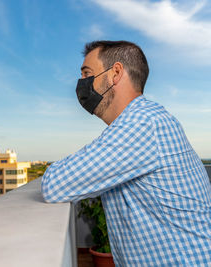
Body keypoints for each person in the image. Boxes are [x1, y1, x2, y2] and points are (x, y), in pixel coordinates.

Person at [41, 40, 211, 266]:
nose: (82, 83)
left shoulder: (142, 123)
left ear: (116, 73)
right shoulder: (144, 120)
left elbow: (54, 184)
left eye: (87, 73)